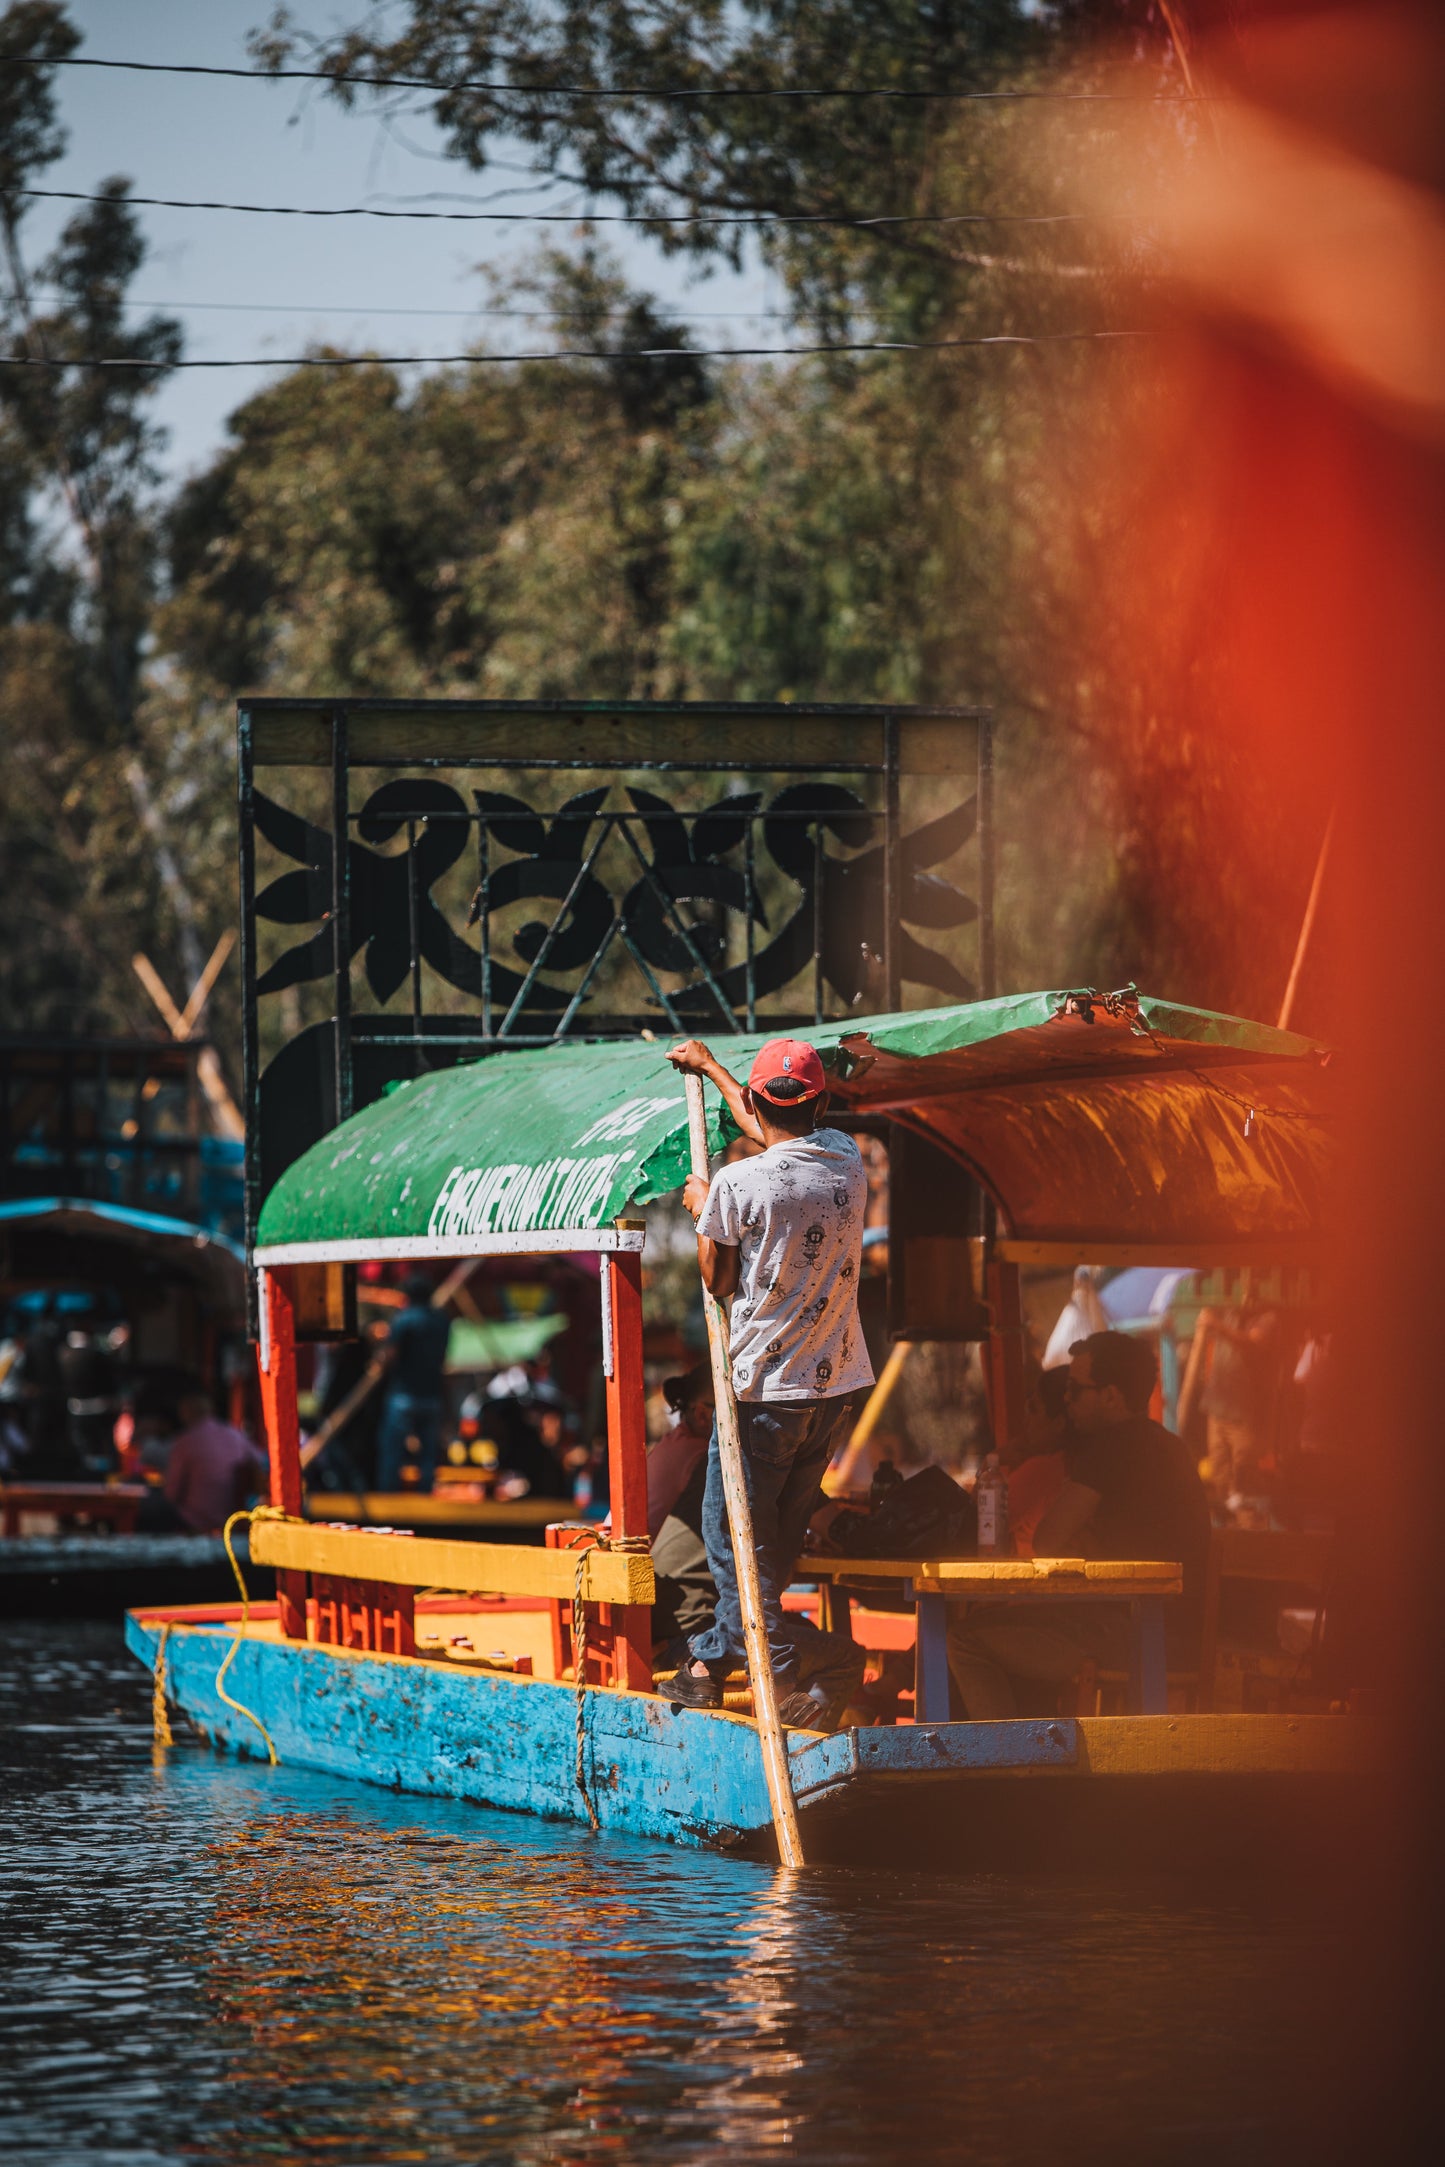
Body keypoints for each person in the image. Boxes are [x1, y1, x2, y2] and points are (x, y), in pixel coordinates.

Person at [663, 1034, 873, 1730]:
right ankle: (706, 1662)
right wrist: (714, 1071)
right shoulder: (847, 1158)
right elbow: (774, 1134)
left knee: (732, 1542)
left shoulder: (735, 1184)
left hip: (762, 1392)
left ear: (757, 1099)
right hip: (832, 1387)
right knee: (773, 1544)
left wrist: (703, 1211)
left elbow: (717, 1279)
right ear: (823, 1101)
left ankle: (775, 1671)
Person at [946, 1331, 1210, 1718]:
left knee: (963, 1640)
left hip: (1135, 1634)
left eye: (1074, 1390)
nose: (1066, 1401)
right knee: (997, 1627)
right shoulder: (1169, 1444)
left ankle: (1004, 1766)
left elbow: (1048, 1539)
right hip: (1176, 1633)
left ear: (1111, 1397)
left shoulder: (1111, 1446)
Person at [144, 1382, 268, 1535]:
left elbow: (172, 1494)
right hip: (233, 1519)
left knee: (149, 1507)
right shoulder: (234, 1435)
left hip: (196, 1522)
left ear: (184, 1412)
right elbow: (263, 1462)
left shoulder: (185, 1442)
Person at [375, 1271, 451, 1492]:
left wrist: (378, 1362)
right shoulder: (441, 1320)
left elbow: (391, 1355)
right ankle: (425, 1492)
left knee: (393, 1449)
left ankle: (388, 1494)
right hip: (431, 1394)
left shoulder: (404, 1320)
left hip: (404, 1394)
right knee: (428, 1452)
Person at [1004, 1366, 1071, 1558]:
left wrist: (988, 1466)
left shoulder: (1043, 1470)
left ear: (1059, 1423)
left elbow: (977, 1527)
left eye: (1033, 1409)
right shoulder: (1081, 1464)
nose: (1026, 1420)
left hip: (1031, 1583)